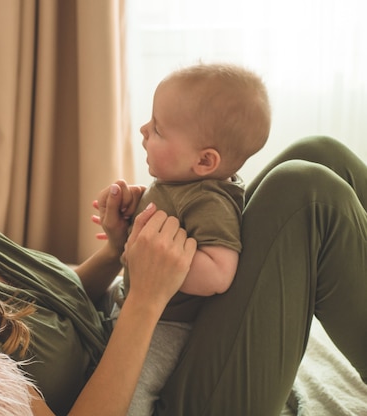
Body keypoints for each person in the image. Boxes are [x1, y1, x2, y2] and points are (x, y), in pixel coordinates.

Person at [0, 26, 366, 416]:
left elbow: (39, 311)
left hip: (158, 345)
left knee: (319, 153)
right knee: (306, 195)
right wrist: (147, 298)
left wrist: (115, 251)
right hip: (164, 396)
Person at [102, 63, 271, 415]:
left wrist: (152, 265)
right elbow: (170, 227)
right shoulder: (180, 183)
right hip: (142, 305)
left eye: (158, 130)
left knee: (132, 391)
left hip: (169, 326)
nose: (143, 129)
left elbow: (220, 271)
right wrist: (136, 215)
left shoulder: (209, 201)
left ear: (205, 161)